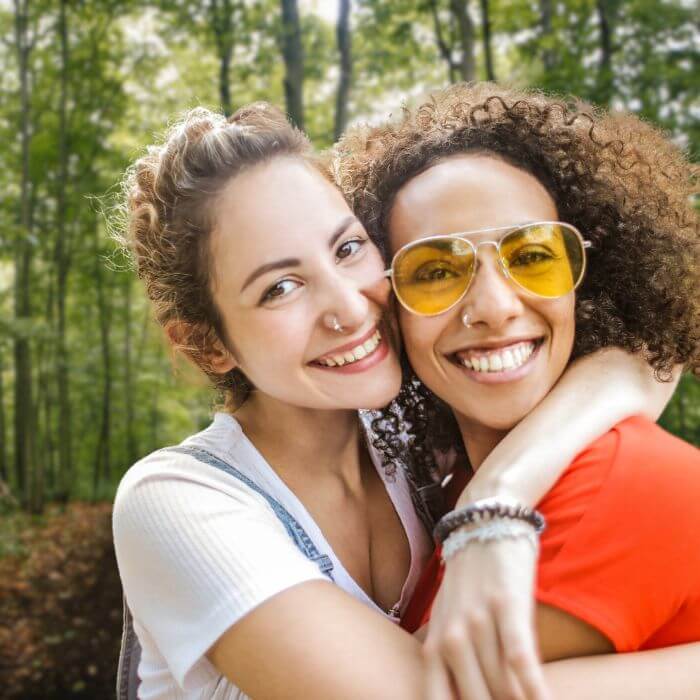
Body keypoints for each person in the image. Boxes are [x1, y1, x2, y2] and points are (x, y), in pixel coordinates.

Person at [113, 102, 683, 700]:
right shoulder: (178, 500)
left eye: (347, 249)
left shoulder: (418, 440)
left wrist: (496, 497)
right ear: (207, 346)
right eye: (280, 287)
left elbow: (644, 366)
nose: (352, 309)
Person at [337, 81, 700, 699]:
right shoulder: (445, 492)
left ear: (586, 282)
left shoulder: (624, 476)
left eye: (531, 256)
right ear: (388, 309)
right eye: (435, 270)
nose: (494, 307)